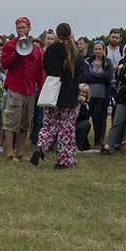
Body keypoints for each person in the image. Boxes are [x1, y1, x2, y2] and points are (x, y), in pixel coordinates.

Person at [31, 23, 83, 168]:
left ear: (57, 34)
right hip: (69, 94)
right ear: (69, 33)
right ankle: (63, 161)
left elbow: (45, 66)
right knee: (66, 129)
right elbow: (80, 72)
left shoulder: (50, 50)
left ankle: (41, 146)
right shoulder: (75, 52)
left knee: (48, 124)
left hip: (52, 92)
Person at [0, 17, 44, 162]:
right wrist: (16, 52)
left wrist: (42, 89)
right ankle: (9, 153)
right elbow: (5, 64)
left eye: (23, 27)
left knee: (25, 122)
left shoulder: (36, 49)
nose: (21, 30)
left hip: (30, 90)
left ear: (29, 28)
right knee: (11, 120)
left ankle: (20, 151)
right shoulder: (10, 45)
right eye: (19, 28)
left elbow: (39, 72)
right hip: (15, 88)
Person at [82, 40, 113, 150]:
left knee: (99, 119)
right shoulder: (87, 62)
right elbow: (85, 77)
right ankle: (83, 142)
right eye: (96, 49)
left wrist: (94, 76)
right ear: (93, 50)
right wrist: (100, 76)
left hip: (102, 95)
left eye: (100, 49)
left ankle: (97, 142)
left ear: (104, 50)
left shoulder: (108, 62)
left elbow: (108, 77)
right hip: (89, 95)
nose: (98, 51)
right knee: (85, 118)